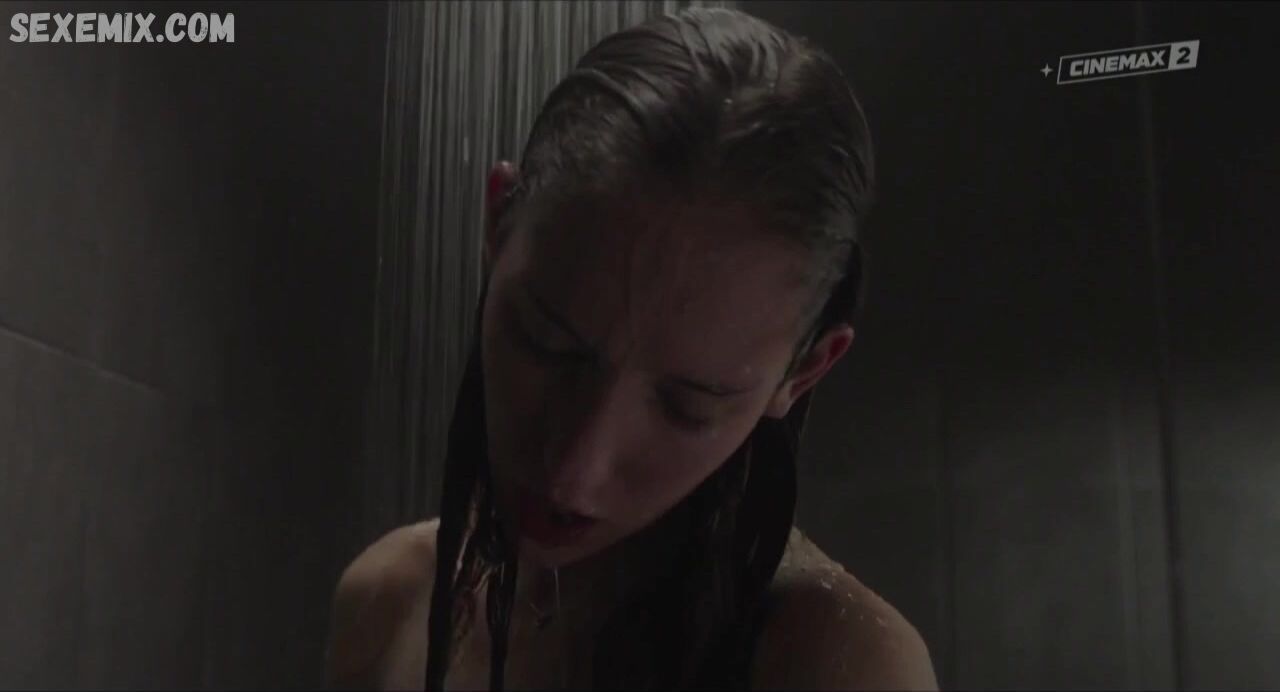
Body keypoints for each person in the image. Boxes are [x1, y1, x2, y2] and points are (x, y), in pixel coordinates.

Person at [325, 7, 937, 691]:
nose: (574, 471)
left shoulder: (838, 665)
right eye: (547, 345)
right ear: (498, 222)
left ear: (804, 371)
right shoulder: (389, 603)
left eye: (687, 407)